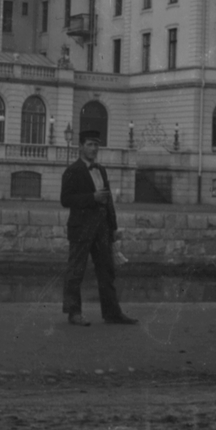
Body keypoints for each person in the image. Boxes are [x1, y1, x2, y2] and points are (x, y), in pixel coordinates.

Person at [59, 129, 137, 326]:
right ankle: (74, 313)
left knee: (106, 271)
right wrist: (91, 198)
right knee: (76, 271)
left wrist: (113, 227)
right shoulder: (72, 171)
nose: (93, 149)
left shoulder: (101, 169)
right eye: (90, 145)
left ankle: (112, 313)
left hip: (102, 229)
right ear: (80, 147)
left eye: (96, 145)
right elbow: (65, 199)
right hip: (81, 228)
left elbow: (108, 200)